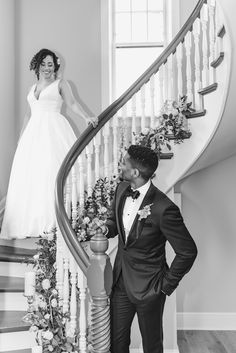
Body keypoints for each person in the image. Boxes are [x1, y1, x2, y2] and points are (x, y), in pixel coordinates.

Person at [106, 144, 198, 353]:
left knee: (152, 345)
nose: (120, 166)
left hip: (150, 288)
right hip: (120, 282)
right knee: (117, 344)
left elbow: (188, 251)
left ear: (135, 172)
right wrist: (105, 229)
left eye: (123, 163)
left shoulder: (164, 208)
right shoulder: (121, 190)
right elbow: (115, 223)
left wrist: (165, 286)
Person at [0, 48, 97, 239]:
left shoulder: (61, 84)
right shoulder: (32, 88)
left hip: (52, 130)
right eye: (43, 64)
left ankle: (52, 222)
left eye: (50, 64)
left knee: (50, 171)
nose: (46, 67)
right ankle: (31, 222)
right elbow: (29, 114)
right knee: (31, 176)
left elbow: (72, 103)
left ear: (56, 65)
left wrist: (86, 117)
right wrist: (21, 139)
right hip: (32, 134)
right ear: (37, 65)